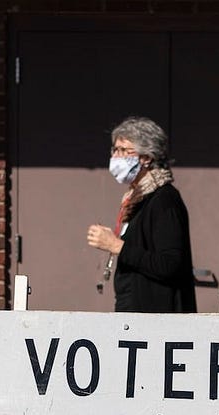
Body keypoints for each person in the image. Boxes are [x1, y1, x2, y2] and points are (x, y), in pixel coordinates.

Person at [84, 117, 196, 313]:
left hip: (157, 320)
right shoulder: (136, 199)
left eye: (124, 151)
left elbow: (170, 264)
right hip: (135, 315)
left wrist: (116, 245)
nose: (116, 157)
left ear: (146, 157)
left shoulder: (164, 199)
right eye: (115, 150)